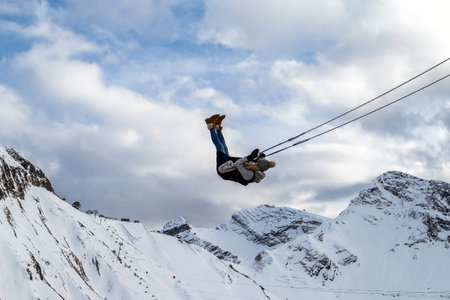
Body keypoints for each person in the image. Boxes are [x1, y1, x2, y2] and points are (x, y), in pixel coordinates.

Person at [205, 114, 276, 186]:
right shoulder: (256, 168)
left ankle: (210, 125)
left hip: (224, 170)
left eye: (257, 163)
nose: (256, 162)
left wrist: (249, 157)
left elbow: (238, 163)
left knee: (220, 147)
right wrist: (260, 157)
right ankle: (217, 127)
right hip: (230, 165)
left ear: (259, 167)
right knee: (224, 146)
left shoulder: (250, 175)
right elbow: (257, 163)